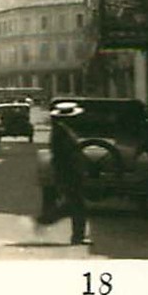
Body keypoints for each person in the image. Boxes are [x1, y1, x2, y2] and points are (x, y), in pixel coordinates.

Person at [43, 102, 89, 245]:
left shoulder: (62, 130)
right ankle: (77, 236)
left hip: (66, 171)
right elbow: (68, 154)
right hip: (67, 172)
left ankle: (48, 218)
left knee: (73, 203)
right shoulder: (62, 132)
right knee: (77, 205)